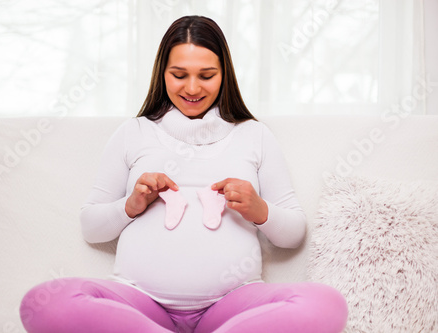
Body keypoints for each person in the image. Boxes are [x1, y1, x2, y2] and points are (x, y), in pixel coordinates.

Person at [19, 15, 348, 333]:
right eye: (179, 74)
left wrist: (259, 210)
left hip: (233, 306)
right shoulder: (132, 133)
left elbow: (293, 234)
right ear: (162, 73)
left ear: (225, 75)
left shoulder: (254, 135)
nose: (192, 88)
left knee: (326, 304)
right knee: (43, 303)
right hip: (139, 304)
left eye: (206, 75)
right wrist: (131, 204)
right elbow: (91, 227)